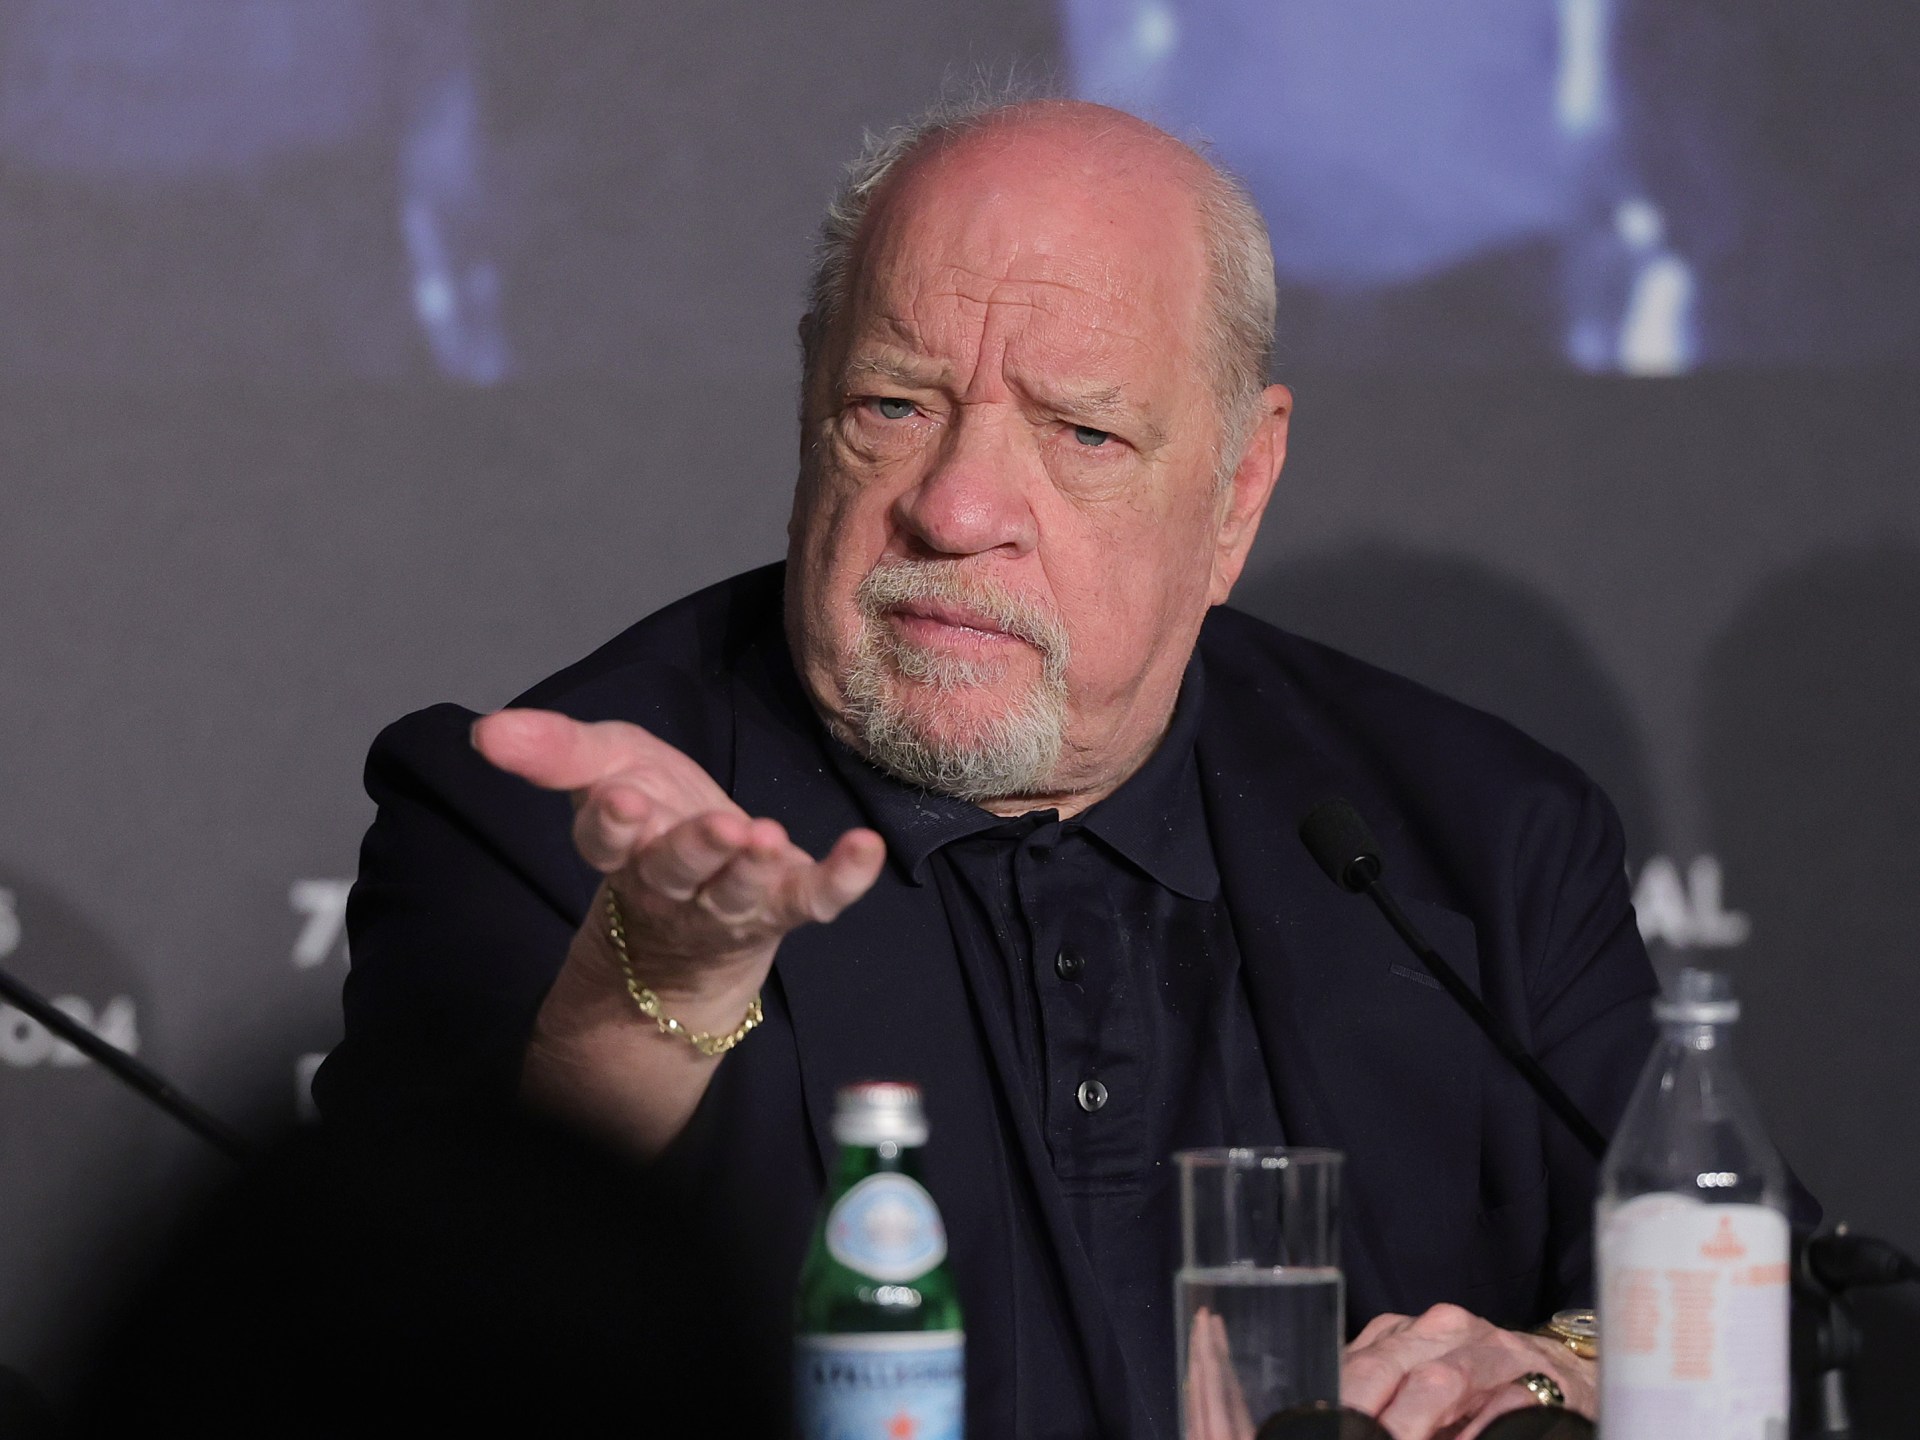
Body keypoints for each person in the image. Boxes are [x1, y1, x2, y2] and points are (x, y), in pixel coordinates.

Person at [315, 97, 1658, 1439]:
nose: (956, 509)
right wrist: (642, 1004)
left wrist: (1562, 1371)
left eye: (1083, 434)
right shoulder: (563, 832)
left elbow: (1717, 1305)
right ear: (811, 399)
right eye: (893, 405)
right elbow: (397, 1343)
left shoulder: (1487, 840)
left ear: (1240, 487)